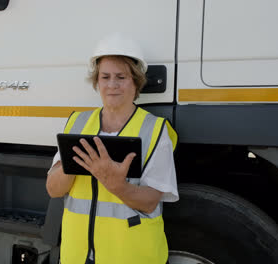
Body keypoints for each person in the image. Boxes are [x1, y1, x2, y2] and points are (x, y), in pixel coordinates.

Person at [45, 33, 178, 264]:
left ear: (136, 81)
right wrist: (75, 163)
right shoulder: (77, 124)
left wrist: (118, 185)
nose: (112, 85)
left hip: (130, 257)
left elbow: (150, 201)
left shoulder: (154, 130)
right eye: (105, 77)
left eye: (121, 77)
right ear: (97, 81)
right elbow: (53, 189)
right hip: (78, 256)